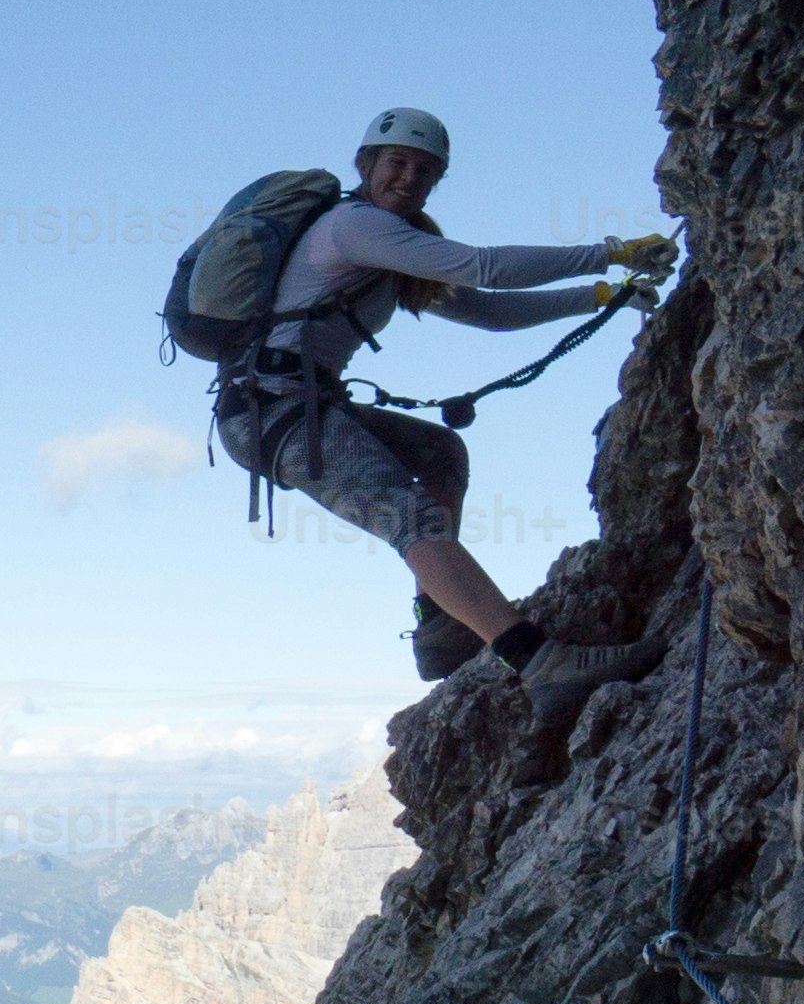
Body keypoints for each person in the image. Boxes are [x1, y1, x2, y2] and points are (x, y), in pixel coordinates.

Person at [215, 106, 671, 676]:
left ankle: (440, 627)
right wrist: (611, 252)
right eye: (397, 163)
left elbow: (491, 311)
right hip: (272, 409)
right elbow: (486, 268)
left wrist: (604, 295)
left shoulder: (396, 244)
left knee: (441, 455)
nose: (409, 178)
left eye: (425, 170)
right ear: (365, 164)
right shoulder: (354, 227)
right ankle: (539, 665)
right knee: (411, 517)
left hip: (288, 407)